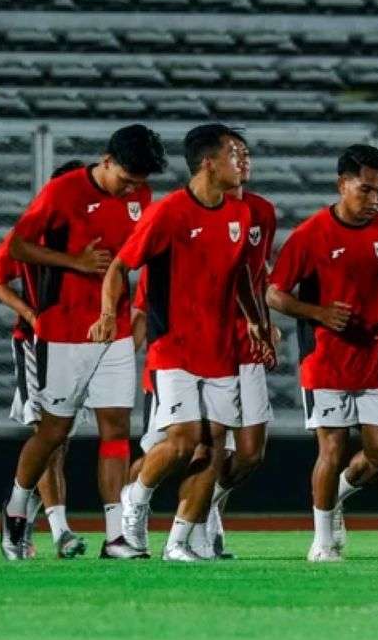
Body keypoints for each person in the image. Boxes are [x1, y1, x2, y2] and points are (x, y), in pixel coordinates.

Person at [0, 126, 167, 560]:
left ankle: (115, 536)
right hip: (63, 329)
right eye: (126, 179)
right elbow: (18, 246)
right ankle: (16, 506)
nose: (131, 188)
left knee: (116, 428)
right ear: (107, 160)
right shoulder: (63, 191)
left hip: (113, 330)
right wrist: (73, 261)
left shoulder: (141, 195)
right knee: (54, 431)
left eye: (138, 182)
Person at [109, 125, 270, 563]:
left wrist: (255, 320)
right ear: (209, 163)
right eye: (233, 154)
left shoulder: (241, 214)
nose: (242, 162)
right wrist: (109, 316)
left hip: (220, 351)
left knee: (213, 448)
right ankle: (135, 498)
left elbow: (241, 275)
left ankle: (178, 542)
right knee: (181, 441)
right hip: (174, 347)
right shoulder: (168, 212)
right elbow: (120, 265)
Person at [267, 145, 378, 563]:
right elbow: (275, 293)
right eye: (366, 190)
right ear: (342, 184)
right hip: (325, 360)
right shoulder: (311, 235)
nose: (374, 199)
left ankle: (336, 496)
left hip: (374, 361)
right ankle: (323, 539)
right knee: (331, 448)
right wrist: (319, 313)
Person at [0, 161, 84, 559]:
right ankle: (60, 530)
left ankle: (19, 519)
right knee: (50, 435)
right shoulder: (33, 231)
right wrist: (30, 314)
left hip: (80, 344)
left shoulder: (93, 228)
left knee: (59, 440)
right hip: (36, 343)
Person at [197, 142, 281, 559]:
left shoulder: (261, 210)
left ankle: (205, 504)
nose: (244, 160)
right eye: (235, 154)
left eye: (247, 154)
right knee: (205, 446)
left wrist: (264, 322)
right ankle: (182, 518)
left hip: (248, 340)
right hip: (206, 340)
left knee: (250, 452)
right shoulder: (194, 210)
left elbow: (257, 272)